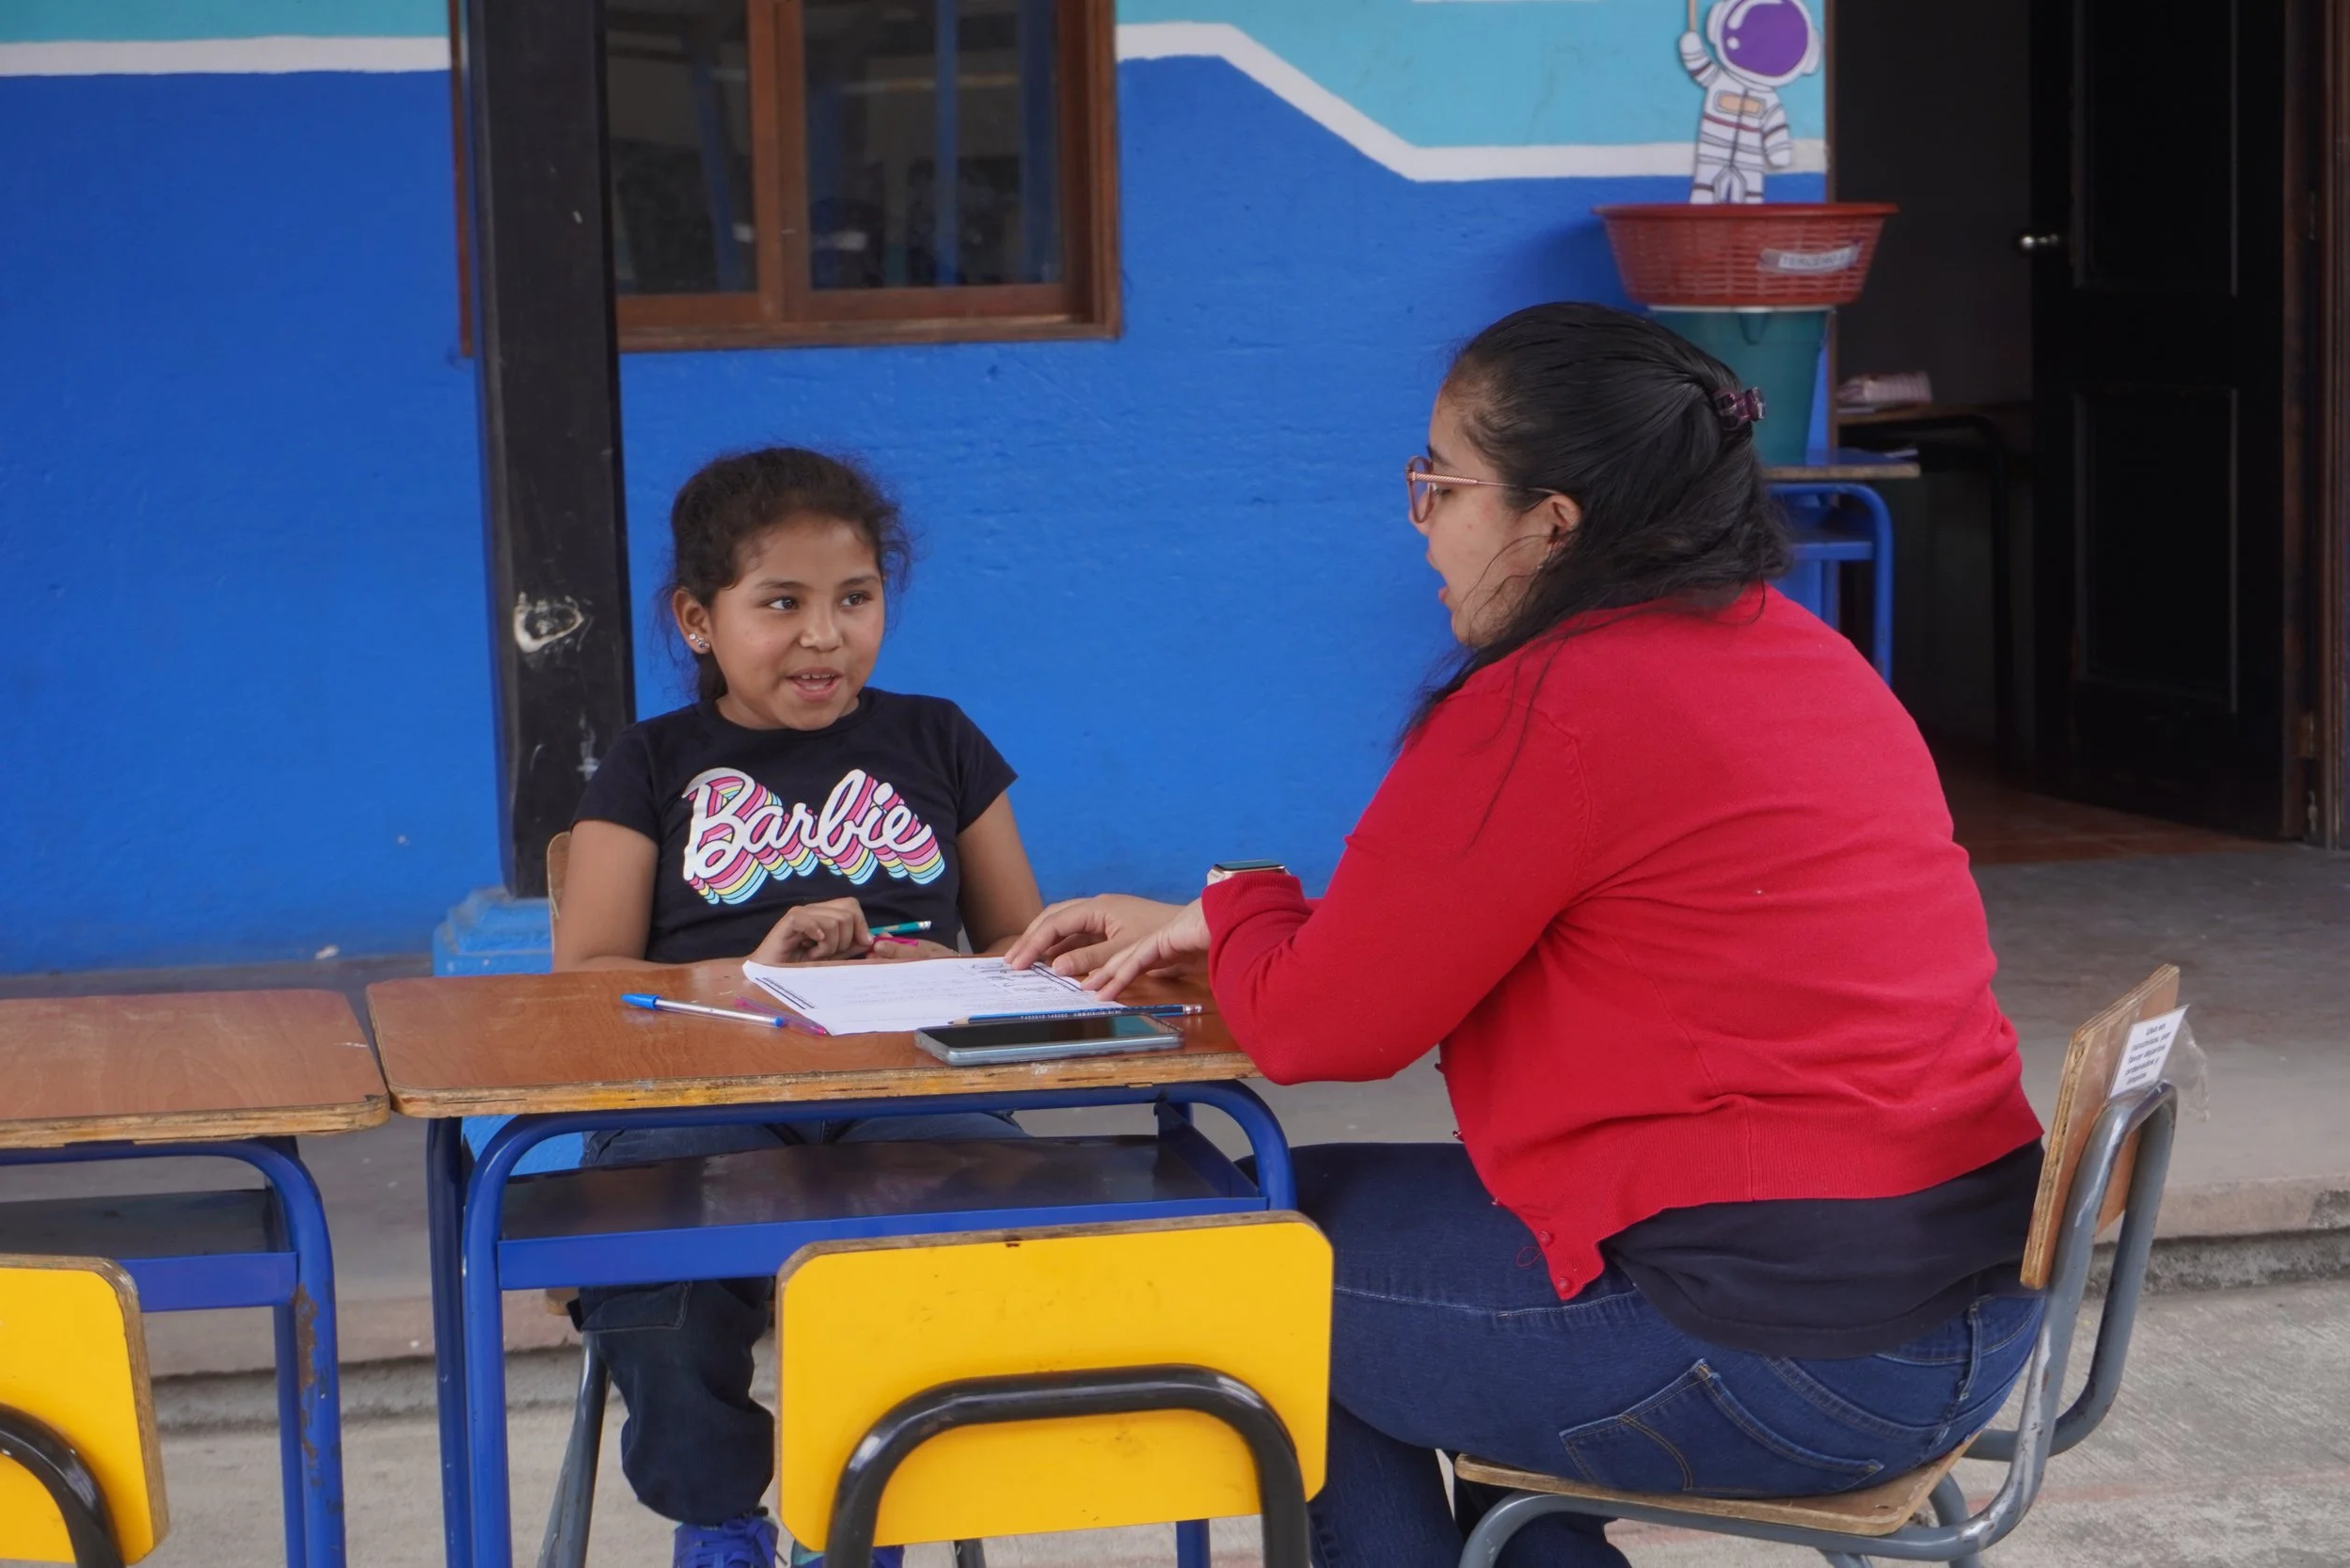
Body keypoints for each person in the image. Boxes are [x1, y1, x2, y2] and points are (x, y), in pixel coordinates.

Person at [1007, 303, 2048, 1568]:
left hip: (1777, 1347)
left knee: (1251, 1262)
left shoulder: (1550, 702)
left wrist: (1242, 895)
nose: (1421, 523)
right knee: (1322, 1227)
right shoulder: (1802, 652)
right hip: (1967, 1325)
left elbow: (1320, 1029)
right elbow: (1523, 926)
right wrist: (1226, 920)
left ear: (1552, 518)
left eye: (1440, 484)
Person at [556, 447, 1045, 1568]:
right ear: (697, 617)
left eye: (855, 600)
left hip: (910, 1080)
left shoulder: (942, 741)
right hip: (702, 1087)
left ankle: (866, 1512)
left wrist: (951, 959)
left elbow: (1025, 941)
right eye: (781, 602)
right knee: (657, 1256)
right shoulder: (650, 762)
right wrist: (744, 972)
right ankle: (717, 1515)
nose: (825, 635)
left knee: (965, 1225)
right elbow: (578, 977)